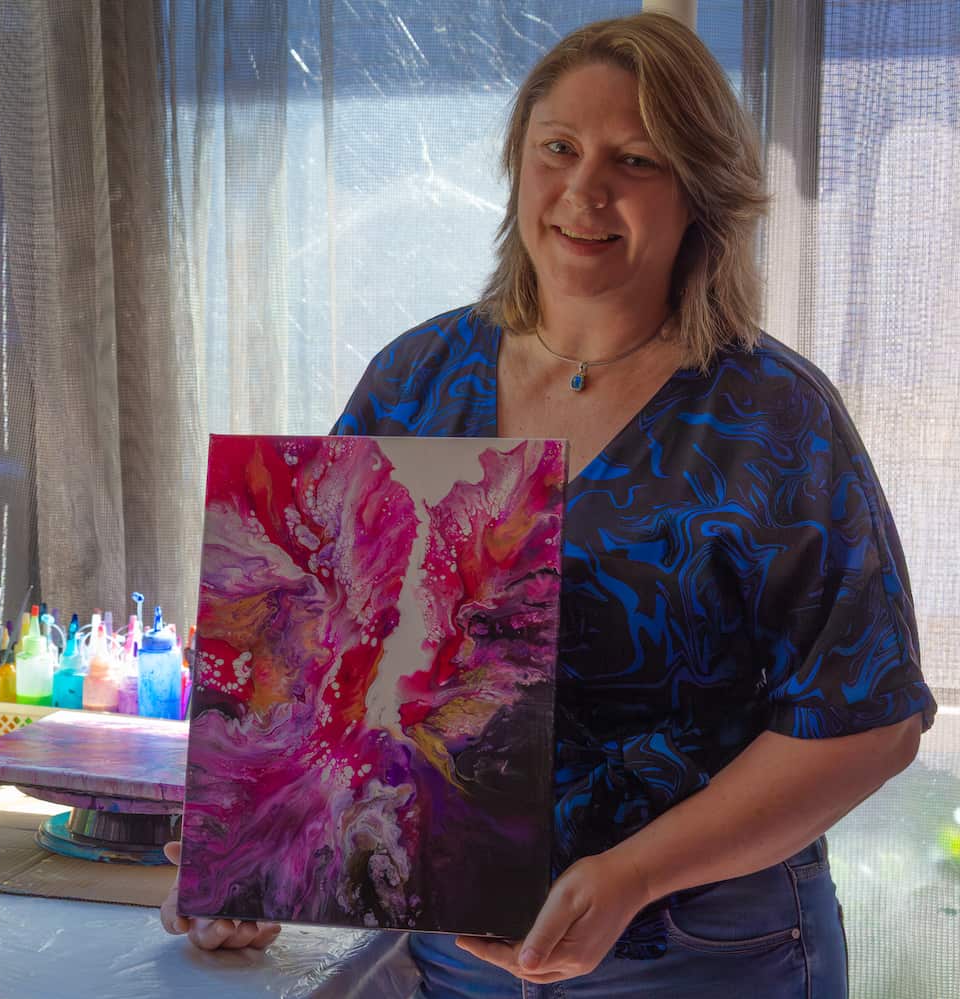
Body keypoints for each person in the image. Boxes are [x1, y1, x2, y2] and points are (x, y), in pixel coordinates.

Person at [161, 13, 936, 997]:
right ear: (517, 167)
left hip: (708, 958)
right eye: (557, 150)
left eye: (635, 160)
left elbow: (868, 721)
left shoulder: (772, 418)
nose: (585, 191)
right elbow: (323, 669)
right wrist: (256, 864)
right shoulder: (414, 381)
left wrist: (632, 874)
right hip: (458, 958)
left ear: (697, 191)